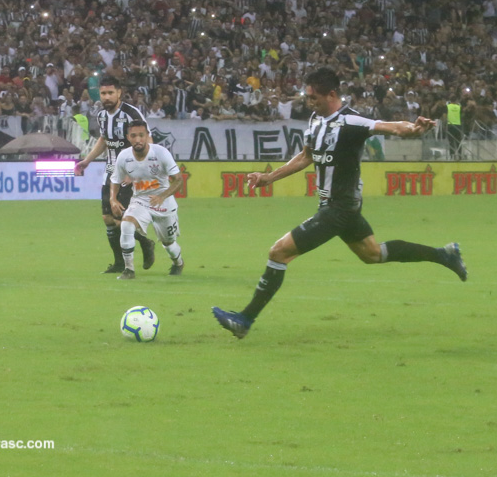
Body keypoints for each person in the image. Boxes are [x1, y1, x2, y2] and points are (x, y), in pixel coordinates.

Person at [212, 67, 467, 339]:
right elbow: (305, 156)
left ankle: (245, 320)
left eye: (314, 98)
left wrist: (414, 129)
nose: (310, 103)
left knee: (279, 252)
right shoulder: (315, 120)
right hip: (337, 207)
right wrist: (268, 178)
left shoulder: (351, 122)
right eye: (308, 97)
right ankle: (444, 254)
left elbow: (389, 126)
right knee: (373, 254)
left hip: (339, 208)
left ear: (331, 94)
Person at [74, 76, 155, 274]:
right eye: (103, 93)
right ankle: (119, 262)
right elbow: (104, 139)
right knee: (107, 219)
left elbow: (148, 142)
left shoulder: (131, 114)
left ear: (119, 93)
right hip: (111, 173)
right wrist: (87, 160)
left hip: (129, 175)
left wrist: (137, 170)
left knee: (121, 219)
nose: (107, 97)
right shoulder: (101, 115)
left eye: (111, 93)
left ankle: (144, 244)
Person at [109, 120, 184, 279]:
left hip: (163, 202)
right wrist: (113, 199)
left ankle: (178, 263)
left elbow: (178, 179)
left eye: (141, 135)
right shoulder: (124, 156)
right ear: (128, 137)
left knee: (169, 244)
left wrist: (162, 196)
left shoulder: (160, 153)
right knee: (127, 225)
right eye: (134, 136)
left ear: (147, 136)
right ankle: (129, 270)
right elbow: (115, 180)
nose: (138, 140)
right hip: (141, 200)